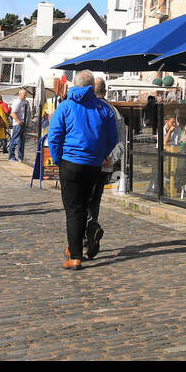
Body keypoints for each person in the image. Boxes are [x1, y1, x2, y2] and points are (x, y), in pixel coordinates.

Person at [48, 71, 120, 269]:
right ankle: (74, 247)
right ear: (91, 86)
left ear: (74, 84)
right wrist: (100, 154)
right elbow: (113, 138)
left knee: (73, 210)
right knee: (84, 207)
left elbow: (54, 136)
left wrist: (57, 159)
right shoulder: (102, 108)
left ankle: (75, 256)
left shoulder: (66, 106)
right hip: (93, 165)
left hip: (70, 162)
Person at [86, 78, 126, 259]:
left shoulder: (91, 108)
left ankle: (89, 232)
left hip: (90, 163)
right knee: (94, 201)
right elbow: (121, 141)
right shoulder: (115, 111)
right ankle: (90, 231)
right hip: (105, 166)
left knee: (82, 200)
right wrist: (110, 159)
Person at [8, 88, 33, 162]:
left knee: (21, 141)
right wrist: (18, 121)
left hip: (24, 124)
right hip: (18, 124)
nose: (25, 96)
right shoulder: (17, 102)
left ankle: (20, 156)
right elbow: (13, 113)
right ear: (20, 94)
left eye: (26, 94)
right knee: (14, 140)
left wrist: (28, 121)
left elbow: (28, 112)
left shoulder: (26, 102)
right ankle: (11, 156)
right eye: (24, 94)